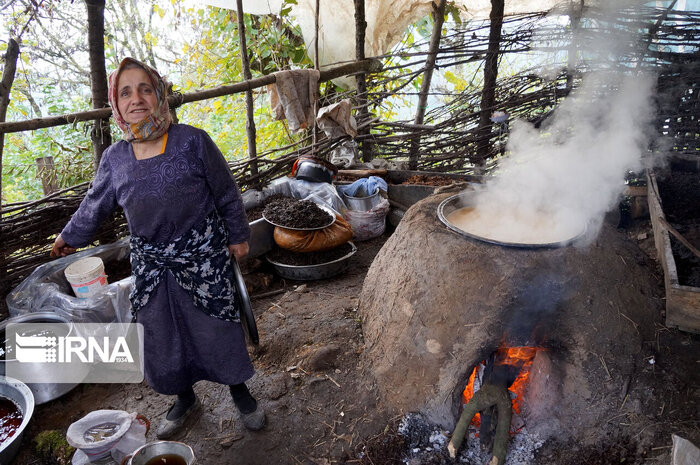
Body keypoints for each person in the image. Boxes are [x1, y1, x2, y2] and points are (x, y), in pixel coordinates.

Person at [51, 57, 265, 438]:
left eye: (145, 88)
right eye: (125, 92)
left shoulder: (192, 141)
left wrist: (238, 235)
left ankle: (239, 391)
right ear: (116, 105)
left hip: (202, 260)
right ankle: (184, 397)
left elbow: (226, 192)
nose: (137, 98)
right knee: (163, 335)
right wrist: (69, 235)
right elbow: (95, 203)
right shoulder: (115, 159)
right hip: (151, 266)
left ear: (160, 94)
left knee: (216, 328)